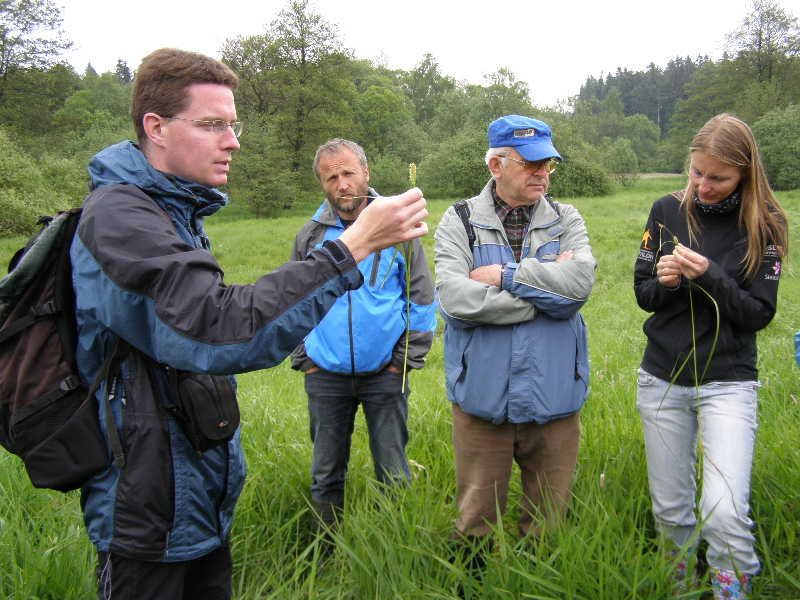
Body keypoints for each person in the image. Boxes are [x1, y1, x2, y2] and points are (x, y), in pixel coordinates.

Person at [71, 48, 428, 600]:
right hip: (147, 507)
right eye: (213, 124)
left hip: (194, 499)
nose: (233, 140)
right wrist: (351, 249)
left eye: (233, 124)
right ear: (156, 127)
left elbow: (418, 299)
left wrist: (406, 352)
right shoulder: (121, 216)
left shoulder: (175, 212)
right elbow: (215, 327)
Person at [634, 113, 788, 599]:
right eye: (697, 172)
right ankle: (680, 583)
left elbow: (758, 314)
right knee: (672, 509)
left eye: (718, 177)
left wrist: (709, 276)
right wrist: (663, 279)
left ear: (745, 173)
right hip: (662, 377)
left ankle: (730, 588)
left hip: (728, 381)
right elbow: (642, 292)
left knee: (724, 511)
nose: (702, 185)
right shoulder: (666, 209)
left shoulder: (769, 224)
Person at [434, 115, 596, 562]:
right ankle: (471, 589)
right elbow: (454, 298)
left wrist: (506, 276)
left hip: (554, 395)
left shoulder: (567, 218)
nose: (542, 173)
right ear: (495, 165)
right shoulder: (459, 220)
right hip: (483, 398)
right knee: (474, 524)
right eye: (531, 164)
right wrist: (546, 297)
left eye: (549, 164)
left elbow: (579, 287)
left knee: (547, 525)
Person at [290, 139, 436, 533]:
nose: (342, 184)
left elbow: (421, 299)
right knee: (325, 474)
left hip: (385, 374)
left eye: (348, 173)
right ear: (322, 183)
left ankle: (395, 549)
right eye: (331, 177)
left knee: (393, 471)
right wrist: (307, 360)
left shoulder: (399, 229)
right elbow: (293, 302)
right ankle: (323, 557)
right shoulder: (310, 236)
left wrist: (402, 362)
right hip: (325, 376)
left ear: (366, 173)